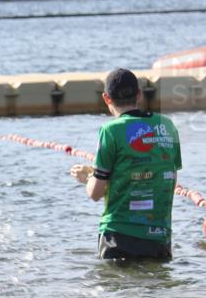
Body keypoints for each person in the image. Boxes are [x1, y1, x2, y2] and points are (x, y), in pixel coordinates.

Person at [70, 68, 181, 260]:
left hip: (119, 236)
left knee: (116, 280)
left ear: (106, 98)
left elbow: (95, 193)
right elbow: (168, 180)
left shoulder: (111, 130)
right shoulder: (167, 125)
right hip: (159, 236)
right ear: (139, 95)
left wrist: (88, 176)